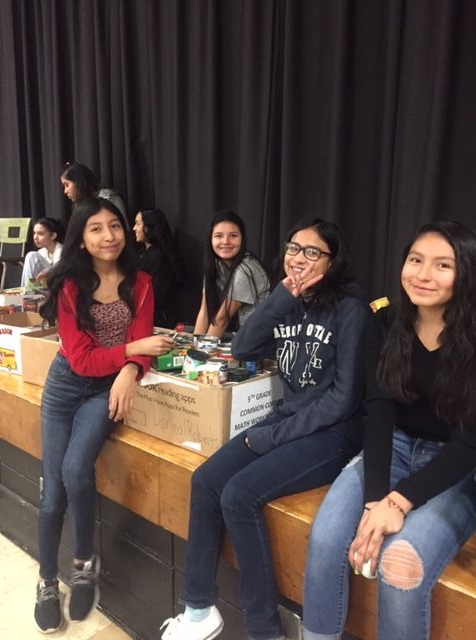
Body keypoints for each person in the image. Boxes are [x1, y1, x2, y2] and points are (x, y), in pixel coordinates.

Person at [159, 218, 368, 640]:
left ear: (333, 261)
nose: (300, 259)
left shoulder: (351, 309)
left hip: (335, 434)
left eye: (313, 252)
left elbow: (342, 400)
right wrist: (279, 298)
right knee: (205, 481)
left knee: (238, 495)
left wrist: (273, 436)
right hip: (290, 420)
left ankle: (263, 630)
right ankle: (199, 610)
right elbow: (241, 347)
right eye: (293, 248)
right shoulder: (288, 302)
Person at [302, 221, 476, 640]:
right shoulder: (386, 319)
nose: (423, 274)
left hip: (455, 465)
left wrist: (397, 503)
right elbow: (379, 409)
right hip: (393, 448)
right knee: (326, 540)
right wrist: (373, 499)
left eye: (442, 265)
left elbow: (470, 442)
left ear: (466, 273)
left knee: (401, 565)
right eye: (415, 260)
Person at [34, 197, 174, 634]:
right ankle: (45, 581)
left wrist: (130, 371)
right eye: (95, 228)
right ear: (81, 236)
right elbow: (81, 360)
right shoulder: (70, 286)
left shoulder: (142, 281)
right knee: (52, 492)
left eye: (114, 225)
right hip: (66, 386)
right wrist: (133, 353)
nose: (108, 236)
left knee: (77, 470)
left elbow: (145, 346)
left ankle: (81, 564)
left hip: (106, 390)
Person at [193, 211, 270, 337]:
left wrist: (201, 352)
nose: (226, 241)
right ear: (210, 239)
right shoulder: (215, 265)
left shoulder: (247, 269)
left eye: (233, 236)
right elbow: (204, 311)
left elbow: (222, 319)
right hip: (237, 336)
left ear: (242, 238)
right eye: (218, 236)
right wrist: (192, 349)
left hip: (258, 341)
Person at [133, 208, 184, 327]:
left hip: (156, 321)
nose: (134, 228)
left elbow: (156, 296)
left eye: (138, 223)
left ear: (149, 227)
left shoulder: (159, 257)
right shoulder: (140, 253)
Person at [60, 161, 128, 226]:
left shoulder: (109, 198)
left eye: (67, 185)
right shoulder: (77, 206)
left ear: (79, 182)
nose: (65, 191)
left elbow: (123, 228)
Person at [20, 217, 65, 286]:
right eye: (34, 233)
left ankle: (26, 293)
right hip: (45, 287)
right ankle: (28, 292)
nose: (35, 237)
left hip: (59, 287)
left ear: (53, 235)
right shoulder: (41, 253)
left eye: (40, 234)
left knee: (31, 255)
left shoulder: (62, 251)